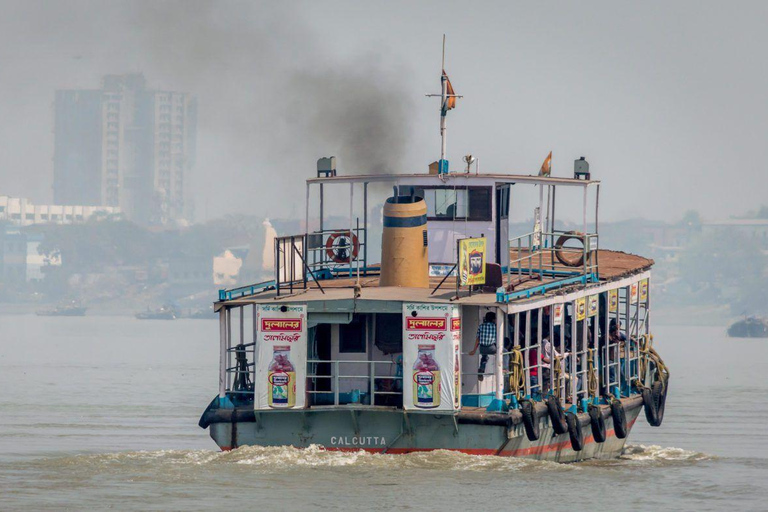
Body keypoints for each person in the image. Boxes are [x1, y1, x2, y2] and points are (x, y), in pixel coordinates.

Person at [469, 311, 497, 381]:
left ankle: (481, 369)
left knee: (484, 357)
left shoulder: (481, 326)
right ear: (493, 319)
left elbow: (477, 340)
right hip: (491, 348)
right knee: (504, 351)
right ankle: (504, 367)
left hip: (482, 348)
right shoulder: (495, 326)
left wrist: (474, 350)